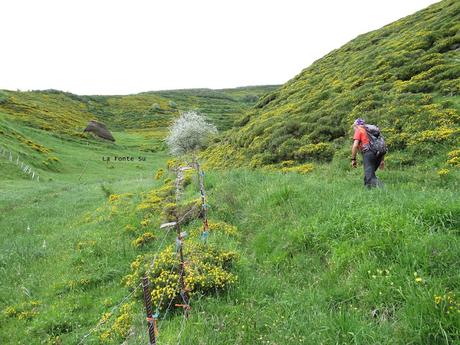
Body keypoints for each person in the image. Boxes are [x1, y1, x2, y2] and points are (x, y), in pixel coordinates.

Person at [351, 118, 385, 188]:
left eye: (354, 127)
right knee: (368, 175)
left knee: (370, 177)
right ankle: (367, 192)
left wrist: (353, 159)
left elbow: (355, 146)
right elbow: (381, 144)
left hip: (369, 154)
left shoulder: (359, 130)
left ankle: (384, 190)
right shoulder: (373, 130)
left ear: (356, 125)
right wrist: (382, 160)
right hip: (379, 154)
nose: (354, 128)